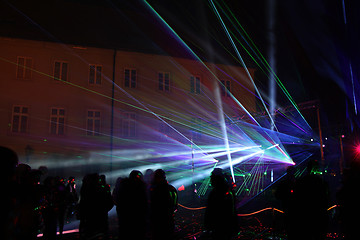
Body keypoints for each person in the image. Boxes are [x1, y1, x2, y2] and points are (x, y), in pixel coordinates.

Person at [292, 160, 329, 240]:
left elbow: (296, 197)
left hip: (304, 214)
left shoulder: (301, 181)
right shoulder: (320, 182)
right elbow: (325, 197)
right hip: (316, 213)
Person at [113, 170, 147, 240]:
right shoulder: (142, 187)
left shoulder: (123, 186)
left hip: (125, 217)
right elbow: (145, 202)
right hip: (138, 218)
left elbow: (117, 200)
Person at [204, 168, 237, 240]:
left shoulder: (218, 192)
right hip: (225, 227)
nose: (210, 179)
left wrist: (208, 226)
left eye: (212, 177)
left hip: (220, 228)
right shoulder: (226, 191)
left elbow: (212, 211)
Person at [79, 173, 114, 240]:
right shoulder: (102, 189)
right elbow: (109, 202)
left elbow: (83, 204)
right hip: (100, 219)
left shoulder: (85, 190)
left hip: (89, 220)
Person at [150, 169, 178, 240]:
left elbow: (153, 205)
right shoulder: (171, 188)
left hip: (159, 221)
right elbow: (175, 205)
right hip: (169, 219)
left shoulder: (156, 189)